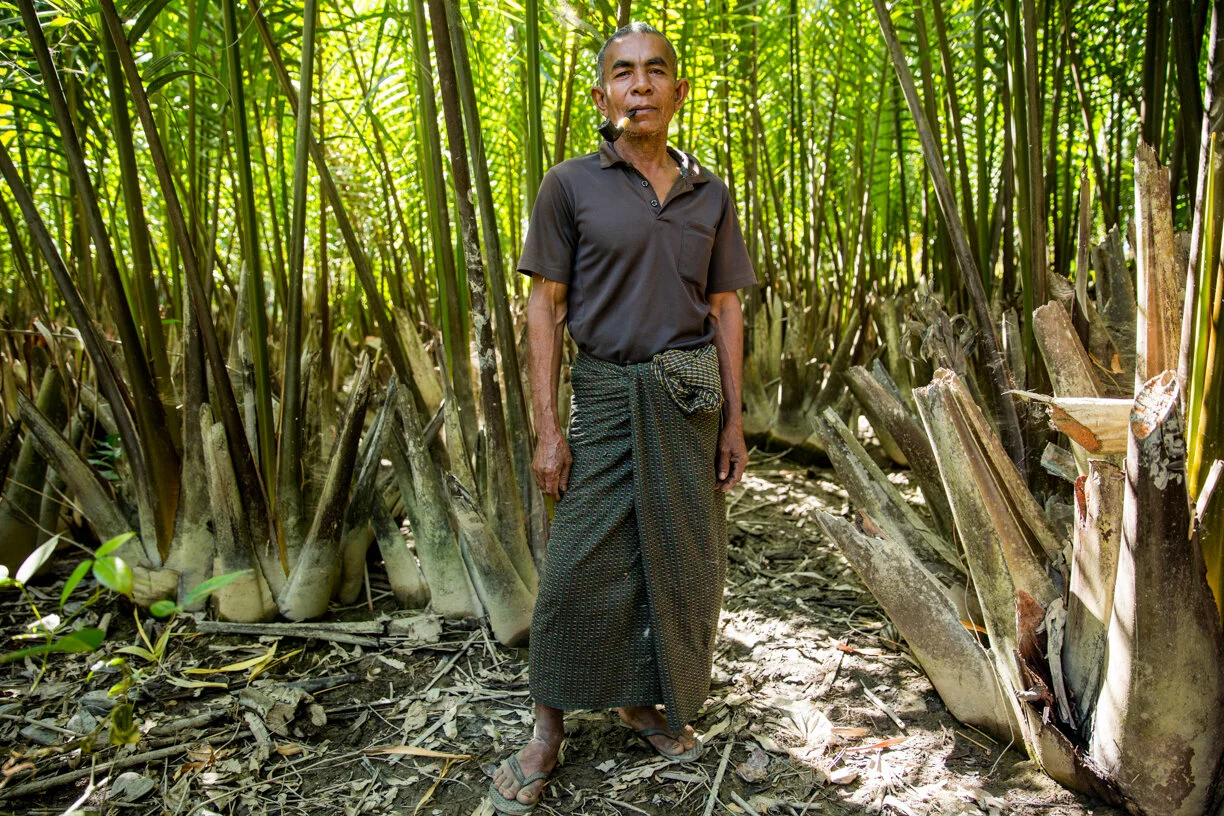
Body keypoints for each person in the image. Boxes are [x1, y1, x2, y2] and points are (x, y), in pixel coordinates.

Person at [489, 21, 757, 814]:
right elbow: (545, 307)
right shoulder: (570, 184)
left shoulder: (711, 191)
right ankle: (547, 728)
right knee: (575, 566)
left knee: (678, 560)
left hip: (689, 399)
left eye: (656, 71)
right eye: (623, 73)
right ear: (601, 93)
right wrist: (546, 427)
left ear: (679, 91)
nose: (640, 85)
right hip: (606, 397)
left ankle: (644, 702)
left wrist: (735, 421)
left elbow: (725, 307)